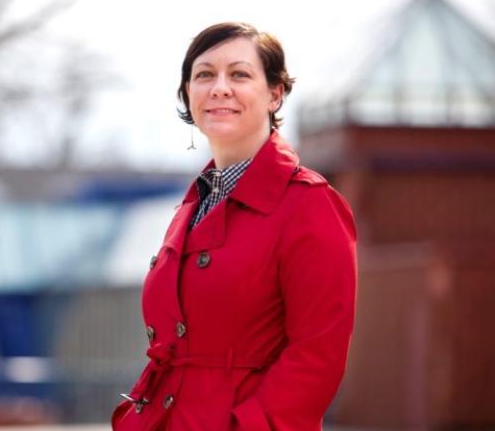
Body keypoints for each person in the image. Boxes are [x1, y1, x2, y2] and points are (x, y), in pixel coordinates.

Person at [111, 22, 357, 431]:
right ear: (188, 94)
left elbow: (318, 356)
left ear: (275, 93)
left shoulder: (310, 205)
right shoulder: (192, 205)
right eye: (204, 74)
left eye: (239, 74)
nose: (219, 87)